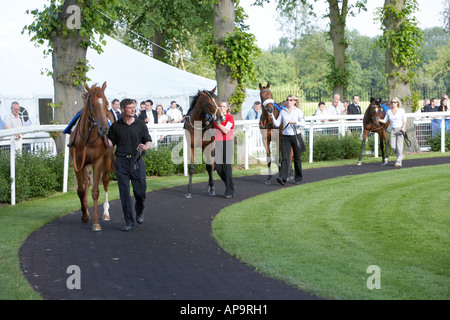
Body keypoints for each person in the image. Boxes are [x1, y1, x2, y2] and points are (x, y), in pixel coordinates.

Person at [107, 98, 152, 231]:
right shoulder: (115, 126)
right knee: (124, 193)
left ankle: (139, 211)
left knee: (140, 192)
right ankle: (129, 221)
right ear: (122, 110)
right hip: (121, 162)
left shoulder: (140, 124)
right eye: (130, 107)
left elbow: (148, 141)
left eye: (134, 107)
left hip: (137, 161)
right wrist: (104, 138)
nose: (133, 110)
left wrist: (145, 147)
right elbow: (110, 144)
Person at [270, 94, 306, 185]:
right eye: (287, 100)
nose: (289, 101)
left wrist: (295, 122)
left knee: (297, 158)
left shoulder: (298, 111)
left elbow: (303, 124)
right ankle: (282, 178)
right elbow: (277, 124)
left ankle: (298, 178)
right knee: (285, 158)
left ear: (294, 101)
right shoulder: (283, 111)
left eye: (291, 100)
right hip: (285, 137)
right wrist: (272, 116)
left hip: (295, 136)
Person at [213, 101, 235, 198]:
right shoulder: (216, 118)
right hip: (218, 143)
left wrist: (217, 123)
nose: (222, 108)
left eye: (223, 106)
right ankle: (229, 184)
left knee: (227, 167)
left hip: (227, 143)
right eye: (220, 106)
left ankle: (229, 190)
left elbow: (225, 131)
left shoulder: (229, 117)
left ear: (227, 108)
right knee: (218, 167)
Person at [379, 97, 407, 168]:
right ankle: (401, 155)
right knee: (393, 146)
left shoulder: (401, 111)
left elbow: (404, 120)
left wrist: (403, 128)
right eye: (392, 102)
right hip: (392, 130)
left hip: (400, 129)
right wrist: (378, 119)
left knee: (399, 146)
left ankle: (398, 161)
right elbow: (385, 121)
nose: (393, 103)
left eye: (394, 102)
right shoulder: (389, 112)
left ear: (397, 103)